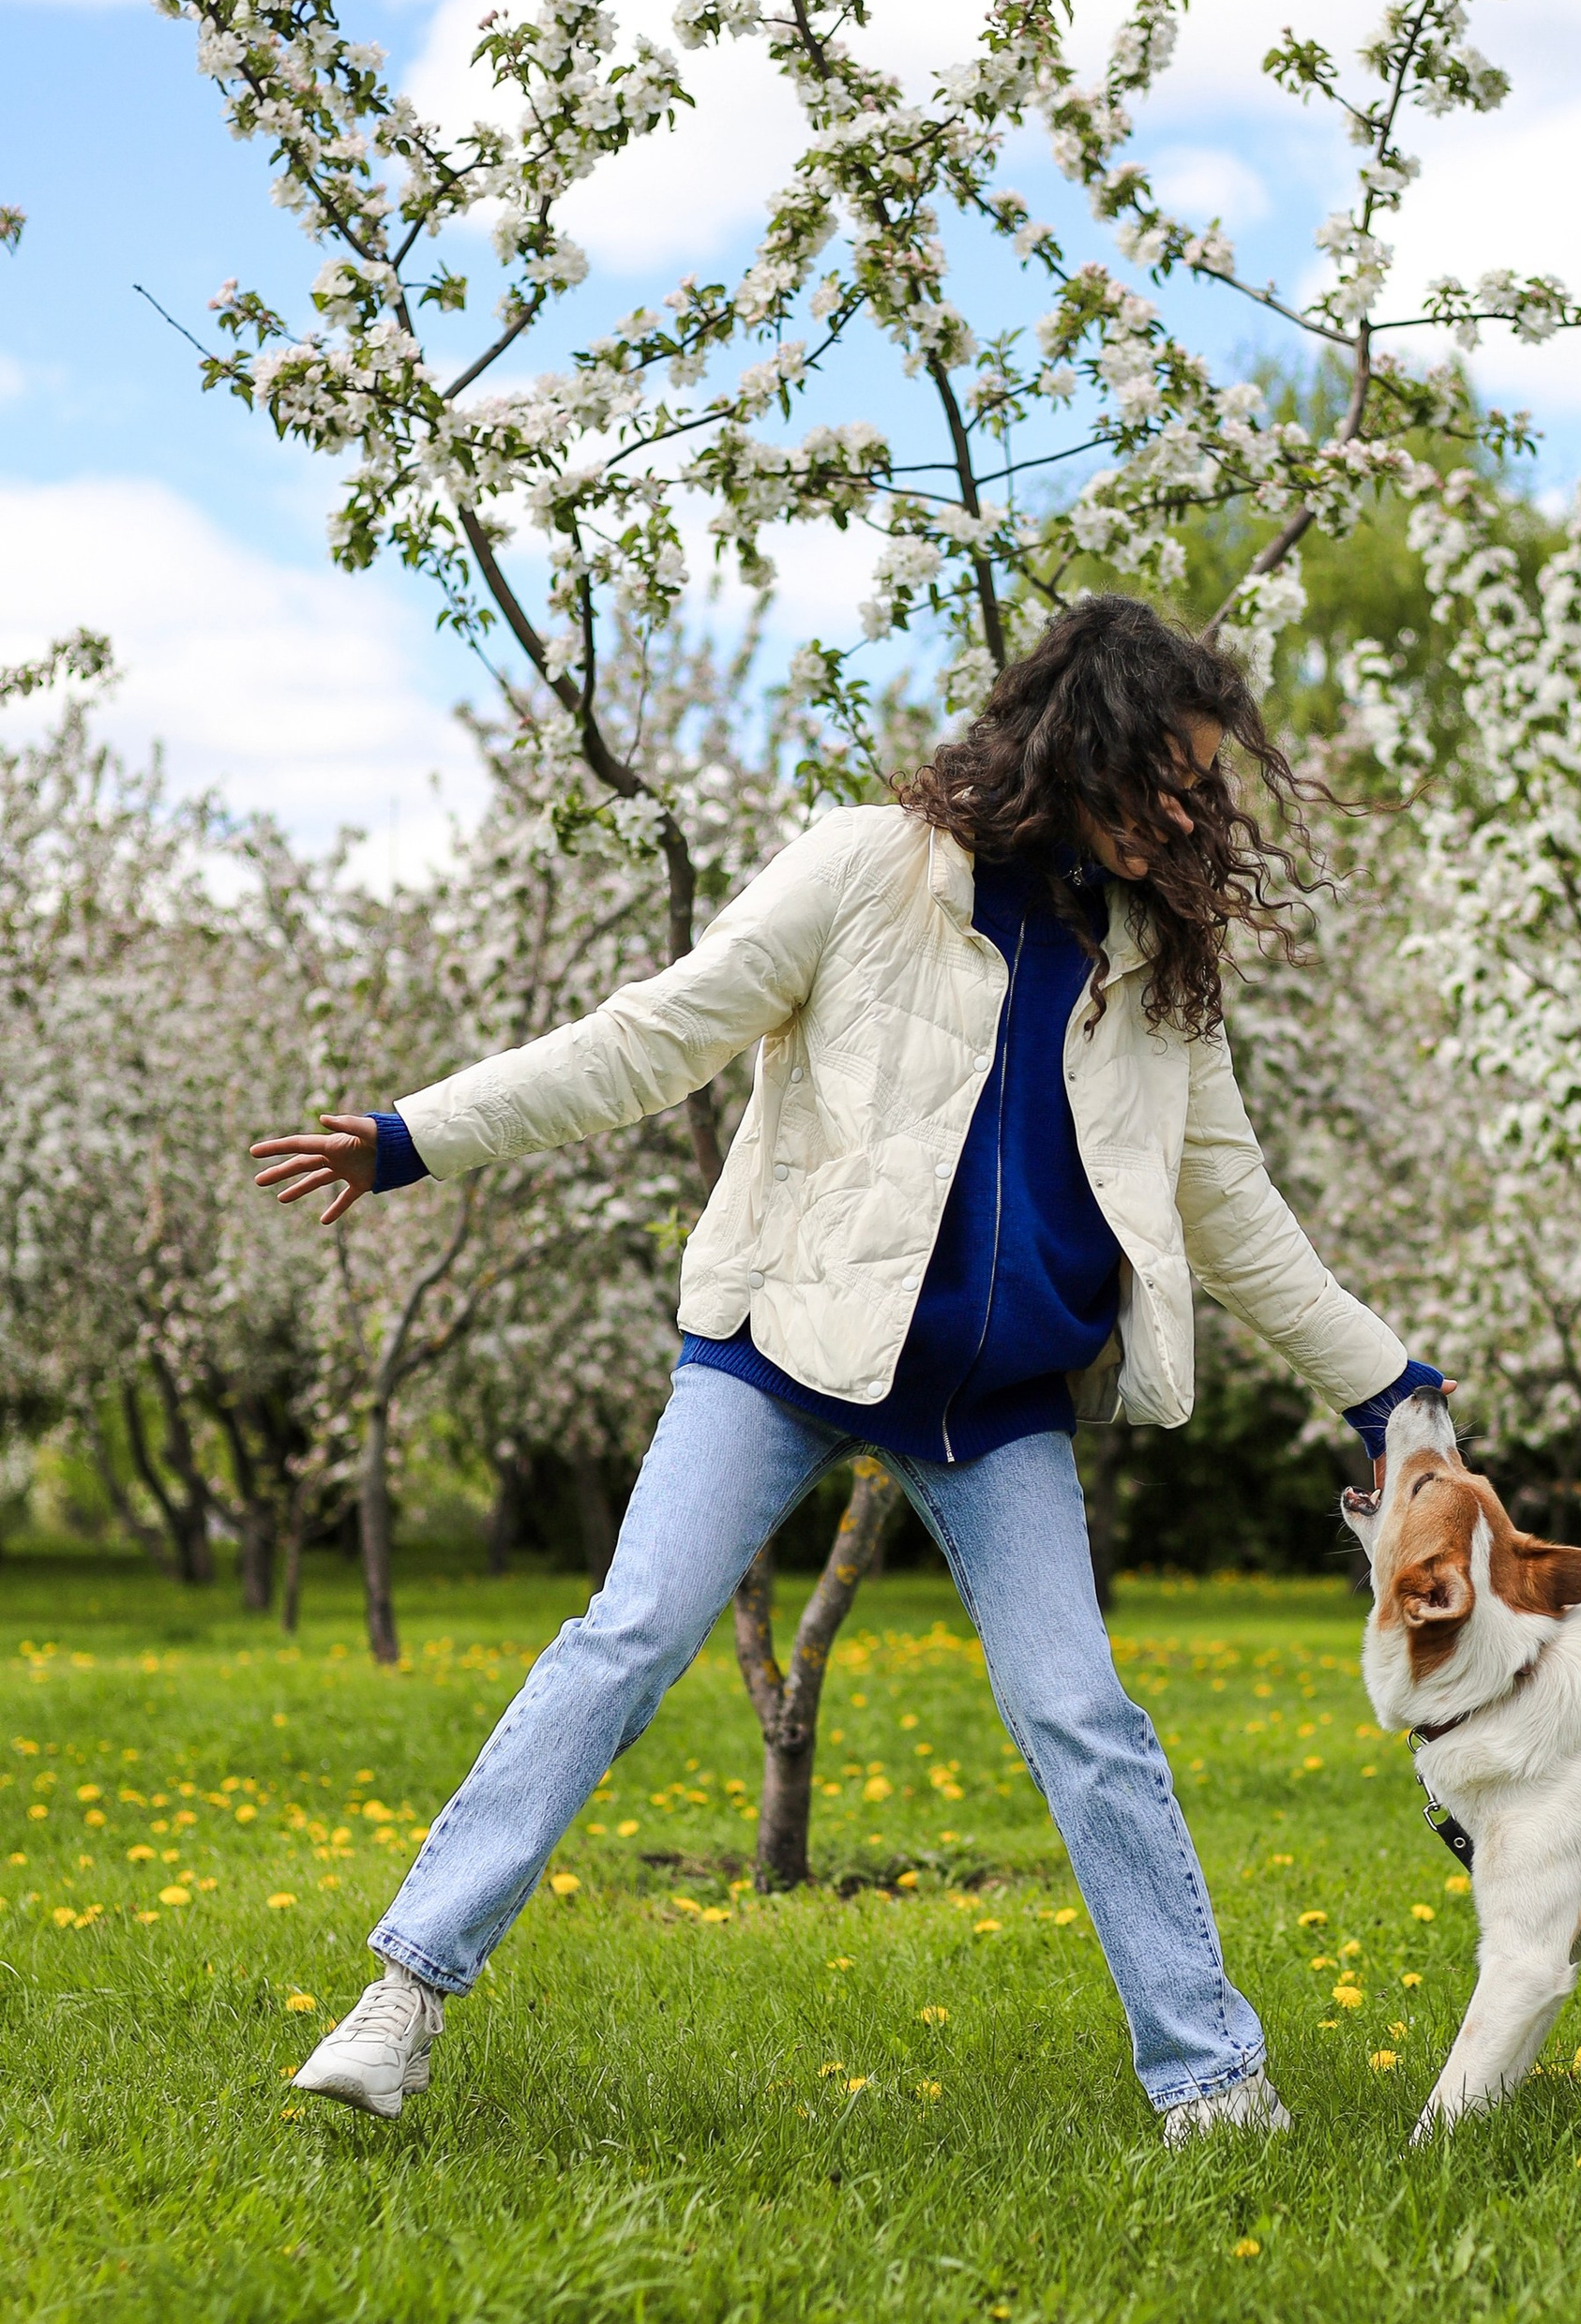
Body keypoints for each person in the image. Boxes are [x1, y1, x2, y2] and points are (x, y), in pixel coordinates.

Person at [253, 593, 1443, 2139]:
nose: (1190, 810)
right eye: (1169, 772)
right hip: (784, 1352)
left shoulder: (1158, 965)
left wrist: (1395, 1397)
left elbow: (1240, 1218)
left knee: (1084, 1717)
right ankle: (399, 1999)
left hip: (994, 1405)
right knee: (627, 1640)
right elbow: (651, 1034)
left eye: (1205, 784)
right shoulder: (866, 868)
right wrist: (415, 1138)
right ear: (1084, 742)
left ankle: (1213, 2084)